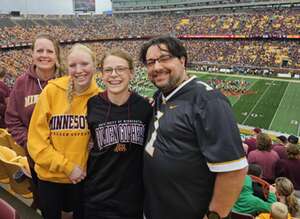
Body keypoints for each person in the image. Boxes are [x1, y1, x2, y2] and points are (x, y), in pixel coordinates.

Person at [139, 35, 248, 219]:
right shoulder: (162, 95)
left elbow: (234, 170)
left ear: (182, 60)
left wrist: (214, 216)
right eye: (150, 62)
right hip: (156, 208)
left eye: (164, 59)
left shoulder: (208, 101)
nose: (157, 67)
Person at [27, 44, 100, 219]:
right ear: (66, 67)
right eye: (73, 65)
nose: (79, 70)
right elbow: (36, 142)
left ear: (95, 65)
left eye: (84, 64)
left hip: (81, 180)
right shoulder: (51, 91)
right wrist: (67, 167)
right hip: (50, 178)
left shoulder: (100, 98)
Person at [83, 48, 152, 219]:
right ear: (102, 74)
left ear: (131, 73)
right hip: (97, 196)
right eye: (108, 70)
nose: (114, 74)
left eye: (120, 69)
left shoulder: (144, 107)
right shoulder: (92, 104)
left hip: (133, 199)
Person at [5, 33, 63, 209]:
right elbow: (12, 119)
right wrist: (31, 142)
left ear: (57, 55)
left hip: (67, 156)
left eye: (49, 51)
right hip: (36, 158)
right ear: (32, 54)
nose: (44, 55)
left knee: (70, 205)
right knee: (47, 203)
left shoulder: (68, 80)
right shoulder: (22, 83)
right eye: (39, 50)